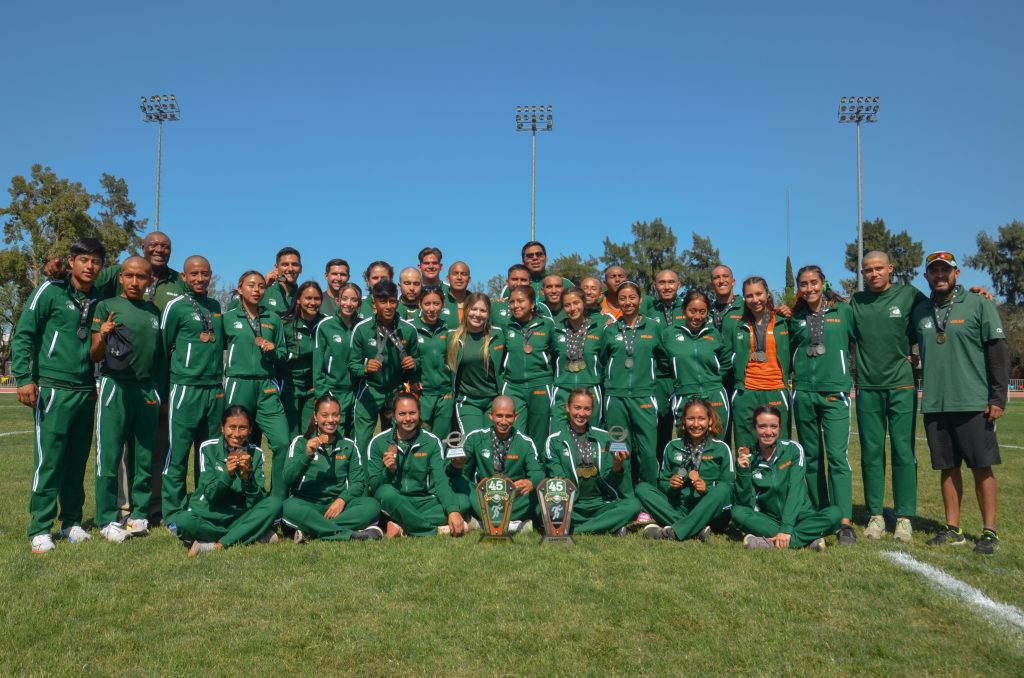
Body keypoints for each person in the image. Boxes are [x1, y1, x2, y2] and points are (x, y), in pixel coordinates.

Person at [913, 251, 1008, 555]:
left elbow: (997, 352)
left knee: (982, 466)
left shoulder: (979, 304)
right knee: (948, 468)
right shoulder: (921, 310)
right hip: (936, 404)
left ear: (956, 273)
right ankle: (953, 528)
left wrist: (997, 397)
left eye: (945, 271)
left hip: (973, 402)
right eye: (934, 271)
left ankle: (989, 531)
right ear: (926, 276)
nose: (939, 276)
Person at [14, 238, 106, 553]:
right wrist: (24, 378)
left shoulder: (100, 299)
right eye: (84, 260)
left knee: (76, 461)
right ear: (71, 261)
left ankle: (71, 522)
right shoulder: (51, 290)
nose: (90, 266)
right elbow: (25, 332)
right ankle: (40, 527)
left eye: (96, 261)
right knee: (49, 460)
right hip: (52, 386)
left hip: (85, 389)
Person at [850, 250, 926, 542]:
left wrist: (976, 295)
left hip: (901, 386)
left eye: (878, 268)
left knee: (903, 451)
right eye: (867, 270)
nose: (873, 274)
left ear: (891, 269)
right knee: (871, 453)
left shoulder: (910, 296)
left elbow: (938, 316)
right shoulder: (856, 302)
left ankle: (904, 517)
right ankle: (876, 515)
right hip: (868, 388)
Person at [90, 256, 164, 542]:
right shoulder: (107, 306)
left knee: (144, 456)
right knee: (109, 455)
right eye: (130, 276)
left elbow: (159, 357)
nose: (135, 282)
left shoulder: (153, 312)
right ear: (121, 277)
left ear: (149, 280)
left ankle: (139, 514)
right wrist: (102, 335)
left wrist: (159, 391)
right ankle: (107, 518)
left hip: (146, 390)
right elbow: (94, 354)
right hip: (115, 386)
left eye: (141, 277)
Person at [789, 266, 857, 545]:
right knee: (812, 457)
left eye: (814, 283)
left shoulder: (844, 313)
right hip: (804, 392)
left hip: (834, 393)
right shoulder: (794, 318)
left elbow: (861, 341)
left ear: (823, 282)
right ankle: (821, 512)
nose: (809, 289)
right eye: (803, 284)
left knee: (838, 457)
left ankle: (844, 521)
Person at [160, 255, 226, 528]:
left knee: (209, 452)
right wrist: (164, 393)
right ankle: (173, 511)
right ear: (184, 277)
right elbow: (162, 351)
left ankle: (204, 503)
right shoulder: (175, 307)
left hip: (214, 390)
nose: (200, 279)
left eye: (205, 274)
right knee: (178, 453)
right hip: (185, 389)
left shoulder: (215, 306)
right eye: (194, 274)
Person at [176, 406, 283, 556]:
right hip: (212, 514)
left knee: (274, 504)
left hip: (240, 513)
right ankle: (251, 533)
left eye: (243, 428)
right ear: (222, 427)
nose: (237, 434)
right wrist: (227, 475)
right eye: (232, 427)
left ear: (251, 429)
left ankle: (218, 545)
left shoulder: (257, 454)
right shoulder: (208, 449)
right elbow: (209, 495)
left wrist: (247, 478)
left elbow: (256, 501)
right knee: (183, 521)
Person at [222, 271, 292, 498]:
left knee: (282, 441)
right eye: (251, 285)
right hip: (238, 383)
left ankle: (278, 498)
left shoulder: (272, 319)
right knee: (238, 441)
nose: (257, 290)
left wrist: (274, 351)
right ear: (240, 288)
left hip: (266, 386)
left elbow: (283, 353)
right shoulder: (229, 318)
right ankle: (241, 495)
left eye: (261, 286)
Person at [732, 406, 841, 551]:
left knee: (835, 514)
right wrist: (743, 471)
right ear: (754, 428)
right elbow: (745, 502)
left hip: (800, 516)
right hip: (769, 519)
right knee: (737, 513)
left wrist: (787, 527)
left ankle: (770, 543)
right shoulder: (748, 458)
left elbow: (795, 489)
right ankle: (807, 539)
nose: (768, 432)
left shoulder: (793, 449)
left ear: (780, 428)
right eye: (762, 426)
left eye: (773, 426)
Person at [366, 392, 471, 537]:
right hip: (395, 500)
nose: (408, 418)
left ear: (419, 413)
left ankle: (401, 524)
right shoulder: (378, 442)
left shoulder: (431, 442)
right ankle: (434, 530)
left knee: (462, 502)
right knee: (385, 493)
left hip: (424, 500)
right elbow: (376, 485)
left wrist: (452, 510)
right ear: (393, 415)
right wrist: (388, 471)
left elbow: (440, 480)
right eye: (402, 414)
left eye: (412, 413)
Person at [282, 395, 383, 542]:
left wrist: (342, 500)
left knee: (372, 505)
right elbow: (288, 478)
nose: (330, 420)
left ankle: (313, 530)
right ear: (315, 417)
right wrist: (307, 455)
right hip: (307, 503)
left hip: (339, 508)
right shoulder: (300, 442)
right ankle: (348, 534)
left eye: (335, 415)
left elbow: (358, 483)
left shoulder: (348, 446)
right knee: (287, 507)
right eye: (325, 415)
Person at [544, 389, 643, 535]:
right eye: (577, 407)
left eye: (587, 409)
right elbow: (558, 478)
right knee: (542, 509)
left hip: (600, 504)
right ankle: (609, 525)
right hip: (573, 505)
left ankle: (575, 530)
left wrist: (617, 465)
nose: (581, 414)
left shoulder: (604, 437)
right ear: (568, 407)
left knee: (633, 505)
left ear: (592, 411)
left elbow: (614, 481)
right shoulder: (554, 441)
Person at [599, 280, 667, 490]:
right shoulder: (610, 330)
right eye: (622, 298)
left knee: (647, 451)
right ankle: (624, 495)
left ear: (640, 299)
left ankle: (649, 496)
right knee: (619, 447)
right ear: (617, 300)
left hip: (644, 396)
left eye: (632, 297)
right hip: (616, 398)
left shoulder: (653, 327)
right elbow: (603, 361)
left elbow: (663, 361)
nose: (627, 302)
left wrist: (652, 386)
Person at [637, 398, 734, 541]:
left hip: (709, 509)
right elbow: (663, 483)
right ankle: (696, 528)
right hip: (679, 507)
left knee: (723, 489)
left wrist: (706, 489)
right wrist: (672, 486)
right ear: (683, 421)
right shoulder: (672, 446)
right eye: (690, 419)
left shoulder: (721, 448)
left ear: (710, 421)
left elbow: (729, 488)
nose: (696, 424)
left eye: (701, 419)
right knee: (642, 489)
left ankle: (674, 531)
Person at [449, 396, 544, 533]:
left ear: (516, 417)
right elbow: (461, 474)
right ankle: (513, 526)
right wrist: (456, 465)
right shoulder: (476, 438)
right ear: (491, 416)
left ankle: (481, 523)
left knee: (537, 490)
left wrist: (530, 481)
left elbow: (538, 473)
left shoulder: (525, 442)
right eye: (499, 416)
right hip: (482, 498)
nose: (504, 421)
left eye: (508, 416)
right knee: (460, 482)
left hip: (513, 500)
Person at [349, 280, 419, 454]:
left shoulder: (408, 329)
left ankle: (391, 478)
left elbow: (417, 360)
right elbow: (352, 365)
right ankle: (362, 481)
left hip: (395, 390)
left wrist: (413, 363)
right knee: (363, 441)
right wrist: (365, 367)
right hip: (370, 390)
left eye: (392, 301)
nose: (388, 306)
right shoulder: (362, 329)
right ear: (374, 304)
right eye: (383, 301)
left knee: (395, 439)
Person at [729, 276, 791, 450]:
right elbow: (727, 357)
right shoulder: (738, 325)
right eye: (749, 296)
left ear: (767, 293)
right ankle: (746, 478)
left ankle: (779, 478)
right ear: (744, 298)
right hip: (746, 392)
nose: (755, 299)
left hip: (776, 389)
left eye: (759, 294)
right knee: (745, 447)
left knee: (779, 446)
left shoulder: (783, 321)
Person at [663, 290, 732, 434]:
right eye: (692, 311)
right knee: (687, 446)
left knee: (716, 444)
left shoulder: (714, 334)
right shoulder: (669, 335)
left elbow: (726, 361)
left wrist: (713, 381)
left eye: (702, 311)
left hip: (714, 394)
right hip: (684, 395)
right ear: (683, 310)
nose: (697, 316)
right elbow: (663, 364)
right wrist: (680, 384)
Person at [501, 285, 555, 454]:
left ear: (532, 304)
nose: (515, 305)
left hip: (540, 385)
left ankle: (537, 472)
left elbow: (556, 353)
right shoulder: (505, 326)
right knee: (515, 432)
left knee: (539, 433)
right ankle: (515, 473)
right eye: (512, 302)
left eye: (520, 301)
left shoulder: (547, 325)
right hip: (513, 386)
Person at [449, 293, 506, 436]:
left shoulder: (498, 335)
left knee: (491, 442)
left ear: (488, 314)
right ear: (466, 310)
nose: (478, 314)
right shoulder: (453, 337)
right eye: (474, 309)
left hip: (494, 400)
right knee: (474, 441)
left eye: (483, 310)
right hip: (468, 401)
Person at [313, 282, 364, 439]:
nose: (349, 304)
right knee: (334, 438)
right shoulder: (325, 326)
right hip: (333, 391)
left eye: (354, 300)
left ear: (359, 303)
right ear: (338, 301)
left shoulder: (363, 326)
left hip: (357, 392)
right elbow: (317, 365)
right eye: (345, 299)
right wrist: (323, 393)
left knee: (356, 439)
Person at [550, 288, 604, 432]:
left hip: (590, 388)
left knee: (591, 434)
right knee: (558, 434)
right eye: (567, 305)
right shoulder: (555, 330)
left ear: (584, 303)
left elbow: (604, 359)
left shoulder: (599, 328)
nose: (572, 308)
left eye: (576, 303)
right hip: (562, 390)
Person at [278, 281, 326, 438]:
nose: (313, 303)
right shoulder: (285, 323)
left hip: (313, 386)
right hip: (289, 385)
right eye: (308, 298)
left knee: (310, 433)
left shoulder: (326, 323)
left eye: (317, 298)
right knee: (290, 434)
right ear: (298, 299)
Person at [411, 286, 454, 439]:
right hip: (423, 394)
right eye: (427, 304)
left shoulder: (448, 328)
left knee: (441, 441)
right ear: (420, 304)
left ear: (442, 305)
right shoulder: (411, 328)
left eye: (436, 303)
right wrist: (412, 380)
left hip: (445, 394)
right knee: (422, 439)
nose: (432, 308)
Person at [650, 269, 685, 458]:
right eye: (661, 282)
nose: (667, 286)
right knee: (660, 427)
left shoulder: (688, 306)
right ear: (655, 286)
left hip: (684, 376)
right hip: (659, 379)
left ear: (679, 285)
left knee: (687, 427)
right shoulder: (648, 309)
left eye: (671, 282)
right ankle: (660, 472)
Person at [500, 241, 572, 298]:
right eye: (529, 256)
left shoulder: (565, 283)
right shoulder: (511, 287)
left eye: (539, 254)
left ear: (546, 258)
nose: (535, 258)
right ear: (523, 261)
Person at [257, 247, 302, 316]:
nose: (290, 269)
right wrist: (263, 286)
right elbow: (237, 308)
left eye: (294, 264)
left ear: (300, 268)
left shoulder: (303, 298)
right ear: (276, 268)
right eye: (285, 264)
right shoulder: (264, 292)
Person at [491, 264, 532, 329]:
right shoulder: (495, 307)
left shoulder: (541, 308)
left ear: (530, 283)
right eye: (515, 279)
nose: (518, 283)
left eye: (523, 280)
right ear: (507, 282)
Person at [441, 261, 471, 325]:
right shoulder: (438, 301)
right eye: (455, 273)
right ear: (447, 278)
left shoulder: (476, 302)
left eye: (463, 274)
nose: (459, 277)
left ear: (469, 279)